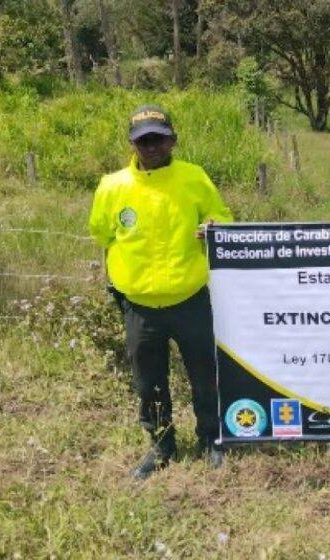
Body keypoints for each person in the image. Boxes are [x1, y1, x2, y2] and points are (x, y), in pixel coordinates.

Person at [89, 104, 233, 479]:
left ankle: (211, 439)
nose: (151, 146)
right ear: (132, 144)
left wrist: (213, 225)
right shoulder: (112, 186)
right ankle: (162, 445)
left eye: (158, 138)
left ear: (172, 140)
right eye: (143, 140)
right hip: (139, 305)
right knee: (148, 382)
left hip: (190, 300)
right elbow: (103, 235)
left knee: (204, 374)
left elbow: (222, 218)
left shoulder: (194, 177)